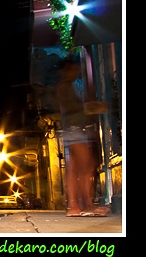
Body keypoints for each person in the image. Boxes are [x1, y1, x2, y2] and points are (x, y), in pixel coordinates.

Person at [56, 60, 107, 217]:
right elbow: (68, 107)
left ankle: (80, 205)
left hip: (76, 129)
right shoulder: (64, 87)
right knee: (86, 167)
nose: (76, 73)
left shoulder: (69, 86)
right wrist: (90, 107)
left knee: (78, 168)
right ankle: (80, 205)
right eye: (73, 70)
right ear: (67, 71)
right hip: (75, 129)